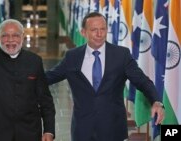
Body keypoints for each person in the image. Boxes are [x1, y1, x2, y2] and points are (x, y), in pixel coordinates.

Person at [46, 12, 165, 141]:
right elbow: (49, 77)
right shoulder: (72, 57)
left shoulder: (121, 55)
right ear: (83, 32)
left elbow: (142, 81)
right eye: (94, 30)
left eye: (103, 29)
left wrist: (156, 101)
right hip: (83, 129)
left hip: (113, 129)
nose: (99, 34)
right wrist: (25, 73)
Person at [0, 19, 55, 141]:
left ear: (22, 37)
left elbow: (45, 100)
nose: (10, 40)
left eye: (15, 35)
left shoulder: (35, 61)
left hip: (28, 130)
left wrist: (49, 130)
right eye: (5, 35)